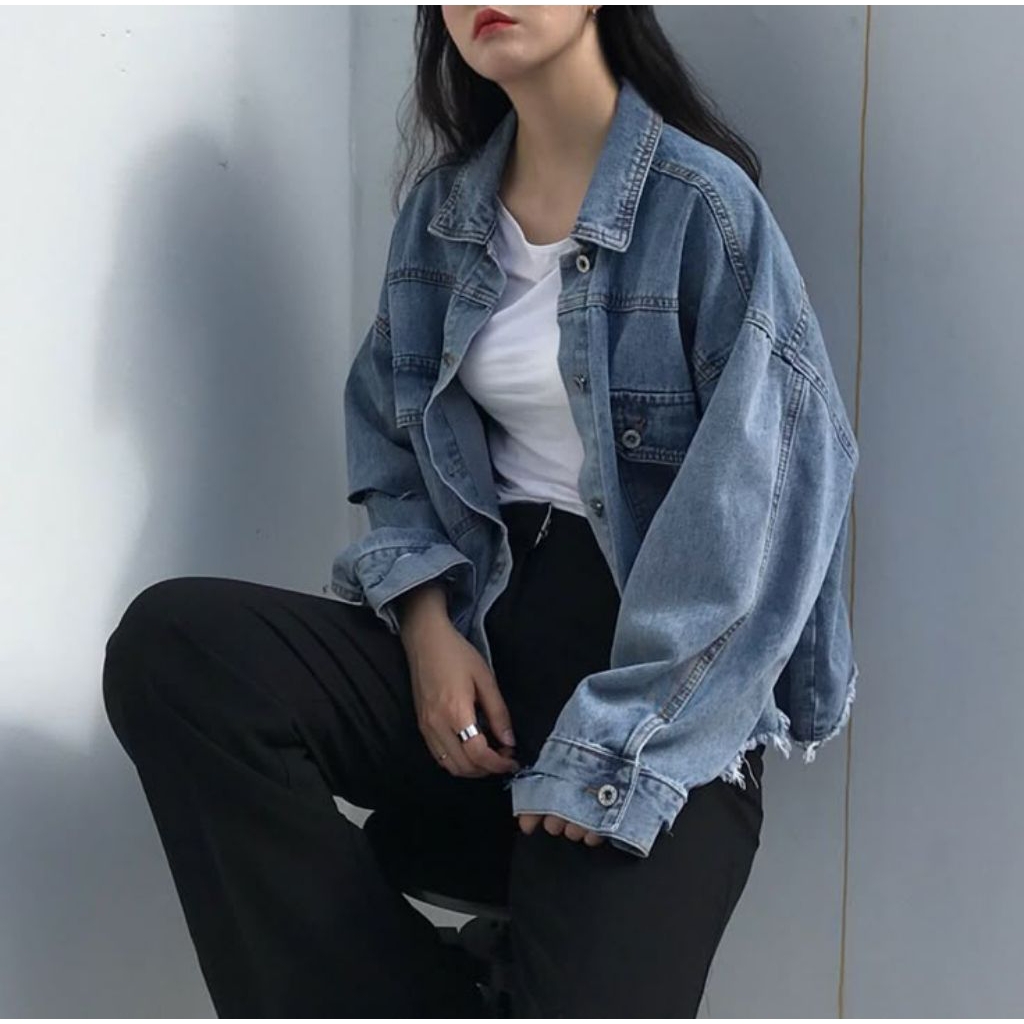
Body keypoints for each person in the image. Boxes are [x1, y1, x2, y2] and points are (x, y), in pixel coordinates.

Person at [103, 5, 859, 1017]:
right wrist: (426, 628)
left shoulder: (703, 209)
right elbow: (393, 440)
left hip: (656, 690)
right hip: (483, 646)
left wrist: (618, 745)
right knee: (180, 649)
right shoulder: (442, 215)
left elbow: (767, 509)